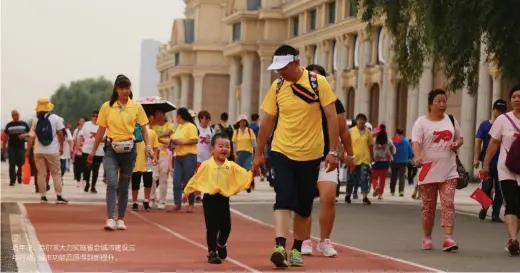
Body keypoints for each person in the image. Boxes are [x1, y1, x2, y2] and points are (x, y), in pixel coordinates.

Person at [251, 45, 340, 268]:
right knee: (283, 197)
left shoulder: (318, 83)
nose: (279, 72)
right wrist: (259, 153)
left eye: (283, 68)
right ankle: (280, 245)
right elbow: (268, 121)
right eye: (277, 68)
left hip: (311, 154)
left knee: (303, 206)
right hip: (282, 151)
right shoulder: (278, 86)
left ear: (296, 63)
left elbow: (332, 117)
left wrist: (333, 151)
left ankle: (297, 249)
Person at [301, 64, 355, 257]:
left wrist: (350, 154)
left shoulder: (334, 102)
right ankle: (304, 239)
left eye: (318, 78)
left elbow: (343, 130)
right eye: (311, 78)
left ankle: (324, 241)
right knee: (304, 200)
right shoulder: (298, 100)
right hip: (303, 156)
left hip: (327, 157)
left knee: (329, 198)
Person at [88, 74, 152, 231]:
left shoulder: (136, 107)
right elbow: (100, 130)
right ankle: (110, 218)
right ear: (116, 89)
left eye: (127, 88)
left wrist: (148, 147)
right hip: (111, 149)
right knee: (112, 182)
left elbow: (144, 129)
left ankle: (121, 218)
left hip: (129, 150)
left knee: (124, 185)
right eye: (121, 88)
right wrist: (93, 151)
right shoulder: (107, 107)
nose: (124, 91)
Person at [182, 133, 253, 264]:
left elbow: (244, 174)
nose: (224, 149)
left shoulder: (231, 166)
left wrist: (253, 172)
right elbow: (196, 179)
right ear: (212, 149)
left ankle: (221, 244)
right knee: (212, 227)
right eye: (220, 146)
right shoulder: (206, 165)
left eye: (227, 146)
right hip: (209, 199)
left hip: (223, 200)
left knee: (226, 227)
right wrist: (187, 191)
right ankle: (212, 252)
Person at [411, 89, 463, 251]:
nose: (442, 104)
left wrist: (457, 144)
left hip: (449, 169)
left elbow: (460, 138)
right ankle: (427, 237)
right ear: (430, 103)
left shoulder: (451, 120)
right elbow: (416, 142)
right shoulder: (421, 122)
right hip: (428, 170)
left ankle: (448, 238)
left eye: (444, 101)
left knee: (448, 203)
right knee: (428, 206)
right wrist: (418, 157)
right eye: (438, 101)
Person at [481, 85, 520, 256]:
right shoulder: (503, 120)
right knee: (511, 202)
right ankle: (513, 240)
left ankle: (513, 239)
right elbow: (493, 143)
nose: (516, 99)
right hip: (507, 168)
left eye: (519, 96)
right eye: (514, 97)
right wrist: (485, 164)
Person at [25, 99, 68, 204]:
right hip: (52, 151)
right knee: (56, 173)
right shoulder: (55, 118)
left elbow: (31, 137)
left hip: (38, 151)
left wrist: (27, 151)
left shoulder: (35, 120)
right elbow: (61, 133)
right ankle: (59, 196)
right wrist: (61, 146)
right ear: (48, 108)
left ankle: (43, 197)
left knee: (41, 174)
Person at [474, 99, 508, 222]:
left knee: (500, 189)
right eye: (498, 111)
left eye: (503, 111)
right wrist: (476, 159)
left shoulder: (506, 126)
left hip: (502, 163)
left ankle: (495, 214)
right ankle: (484, 206)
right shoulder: (484, 125)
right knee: (486, 187)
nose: (500, 113)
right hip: (487, 163)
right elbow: (478, 142)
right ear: (493, 110)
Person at [170, 107, 199, 213]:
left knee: (188, 181)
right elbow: (173, 139)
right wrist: (170, 143)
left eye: (176, 116)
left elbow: (195, 140)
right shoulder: (179, 127)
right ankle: (177, 203)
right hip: (178, 157)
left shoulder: (191, 126)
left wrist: (181, 142)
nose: (176, 118)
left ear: (179, 116)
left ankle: (191, 203)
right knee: (176, 180)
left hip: (189, 157)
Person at [131, 116, 159, 211]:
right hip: (136, 161)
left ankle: (146, 200)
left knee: (148, 182)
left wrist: (154, 157)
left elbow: (155, 147)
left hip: (148, 161)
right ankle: (135, 202)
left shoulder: (151, 132)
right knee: (135, 182)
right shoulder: (133, 131)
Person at [345, 113, 374, 204]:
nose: (361, 123)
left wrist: (372, 156)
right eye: (359, 121)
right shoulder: (350, 131)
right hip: (353, 158)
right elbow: (346, 144)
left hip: (364, 158)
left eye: (363, 121)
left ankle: (365, 197)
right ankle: (348, 195)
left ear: (365, 122)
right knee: (351, 178)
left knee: (364, 178)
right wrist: (346, 156)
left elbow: (370, 146)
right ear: (356, 121)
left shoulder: (368, 132)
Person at [150, 109, 175, 209]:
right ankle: (152, 198)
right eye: (157, 114)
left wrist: (159, 137)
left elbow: (171, 140)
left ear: (164, 116)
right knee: (151, 178)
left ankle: (162, 201)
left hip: (165, 155)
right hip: (152, 155)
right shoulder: (152, 127)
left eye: (161, 114)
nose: (159, 116)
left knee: (163, 179)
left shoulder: (169, 125)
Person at [3, 110, 30, 186]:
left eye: (16, 115)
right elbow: (5, 137)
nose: (14, 117)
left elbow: (30, 133)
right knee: (12, 164)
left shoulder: (24, 124)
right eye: (13, 115)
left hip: (21, 147)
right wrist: (4, 147)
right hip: (11, 147)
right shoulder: (9, 125)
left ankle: (19, 175)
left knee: (21, 163)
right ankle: (12, 180)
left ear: (19, 115)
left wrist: (24, 135)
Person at [81, 110, 105, 193]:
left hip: (98, 151)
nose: (95, 118)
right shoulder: (86, 124)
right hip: (87, 150)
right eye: (93, 116)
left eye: (97, 116)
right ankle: (87, 183)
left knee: (96, 169)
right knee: (87, 168)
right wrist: (79, 145)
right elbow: (82, 135)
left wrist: (99, 139)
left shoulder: (103, 126)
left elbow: (106, 138)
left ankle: (93, 186)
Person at [371, 124, 395, 200]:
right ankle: (380, 194)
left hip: (376, 161)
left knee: (374, 177)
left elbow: (370, 148)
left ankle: (375, 187)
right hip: (385, 162)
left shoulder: (374, 140)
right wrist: (391, 155)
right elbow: (392, 151)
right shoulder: (389, 141)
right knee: (382, 179)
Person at [195, 110, 214, 202]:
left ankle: (205, 192)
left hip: (207, 157)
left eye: (208, 119)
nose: (207, 120)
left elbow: (213, 144)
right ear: (200, 119)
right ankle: (198, 193)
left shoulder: (211, 130)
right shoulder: (196, 128)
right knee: (199, 175)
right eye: (205, 118)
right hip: (198, 156)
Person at [390, 128, 413, 196]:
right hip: (403, 161)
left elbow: (390, 149)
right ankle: (401, 191)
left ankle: (392, 191)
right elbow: (410, 152)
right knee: (402, 176)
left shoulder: (393, 140)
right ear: (403, 133)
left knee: (393, 175)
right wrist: (408, 156)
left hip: (394, 160)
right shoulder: (406, 141)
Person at [72, 117, 87, 187]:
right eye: (80, 121)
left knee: (85, 167)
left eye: (83, 121)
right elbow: (74, 140)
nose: (81, 122)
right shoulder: (76, 131)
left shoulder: (87, 130)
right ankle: (78, 180)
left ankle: (84, 179)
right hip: (77, 151)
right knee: (77, 167)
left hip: (86, 151)